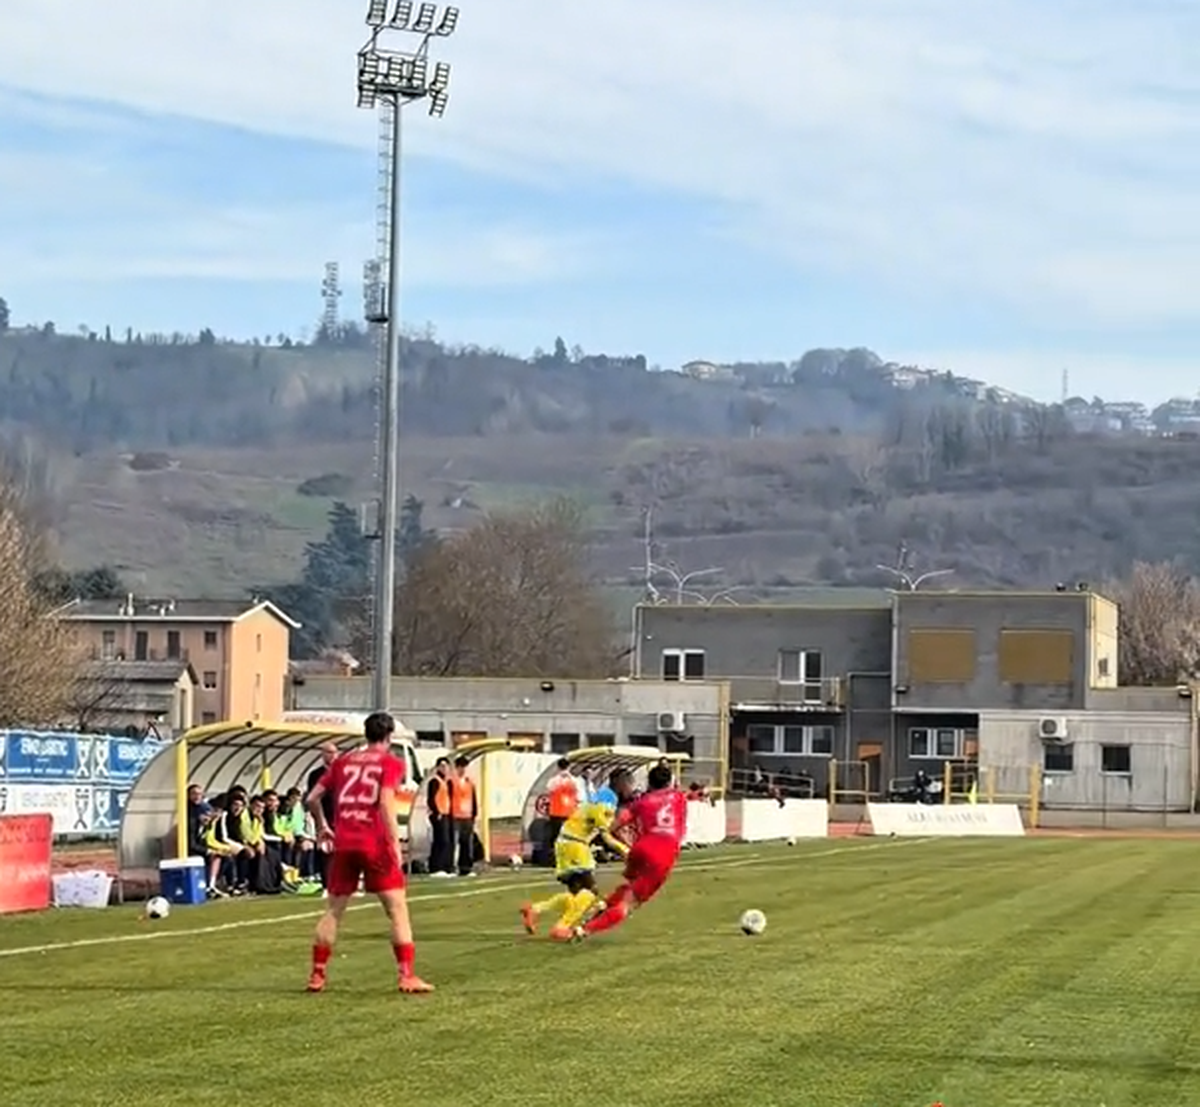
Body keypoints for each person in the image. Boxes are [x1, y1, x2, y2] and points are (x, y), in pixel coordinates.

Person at [304, 711, 433, 994]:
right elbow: (386, 803)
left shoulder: (342, 762)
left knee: (334, 910)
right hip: (373, 842)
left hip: (344, 842)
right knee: (397, 909)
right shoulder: (390, 763)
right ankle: (407, 975)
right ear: (389, 737)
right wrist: (395, 843)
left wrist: (322, 827)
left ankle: (317, 975)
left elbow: (312, 798)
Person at [573, 763, 687, 940]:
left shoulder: (641, 803)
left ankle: (604, 904)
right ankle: (585, 930)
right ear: (670, 782)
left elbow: (615, 825)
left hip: (641, 848)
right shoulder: (679, 797)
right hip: (664, 852)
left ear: (649, 782)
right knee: (630, 903)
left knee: (631, 885)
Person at [520, 770, 633, 941]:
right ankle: (561, 927)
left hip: (568, 842)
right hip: (575, 844)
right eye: (629, 783)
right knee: (590, 892)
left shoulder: (603, 796)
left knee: (576, 896)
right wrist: (626, 851)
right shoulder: (607, 799)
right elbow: (606, 835)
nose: (631, 788)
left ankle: (536, 909)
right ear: (620, 782)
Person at [305, 742, 339, 885]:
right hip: (324, 816)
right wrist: (320, 821)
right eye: (328, 752)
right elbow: (313, 799)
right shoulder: (315, 775)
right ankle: (327, 884)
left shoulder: (342, 772)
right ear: (322, 754)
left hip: (341, 816)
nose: (332, 756)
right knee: (326, 849)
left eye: (334, 752)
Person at [449, 756, 478, 878]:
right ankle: (452, 867)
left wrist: (474, 814)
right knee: (454, 843)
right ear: (457, 768)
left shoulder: (469, 782)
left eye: (465, 767)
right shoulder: (452, 781)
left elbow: (474, 799)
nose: (463, 770)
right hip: (455, 815)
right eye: (461, 767)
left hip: (467, 816)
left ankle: (466, 868)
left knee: (467, 843)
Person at [425, 756, 454, 878]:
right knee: (440, 840)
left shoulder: (447, 782)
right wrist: (437, 813)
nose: (444, 768)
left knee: (446, 841)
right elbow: (431, 799)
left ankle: (445, 867)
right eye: (441, 766)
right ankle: (436, 867)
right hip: (439, 815)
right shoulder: (434, 781)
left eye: (446, 766)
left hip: (446, 814)